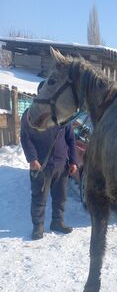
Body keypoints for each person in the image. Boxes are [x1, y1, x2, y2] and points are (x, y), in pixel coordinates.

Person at [20, 81, 78, 240]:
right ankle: (38, 226)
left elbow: (71, 139)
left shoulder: (62, 116)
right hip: (40, 166)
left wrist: (73, 161)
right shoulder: (30, 114)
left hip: (61, 165)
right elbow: (25, 138)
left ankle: (57, 222)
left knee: (61, 197)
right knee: (39, 197)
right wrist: (32, 159)